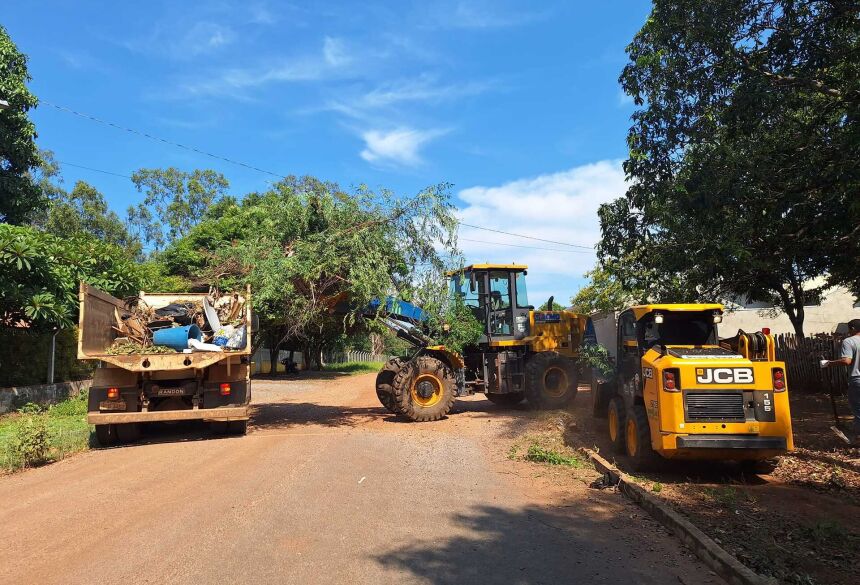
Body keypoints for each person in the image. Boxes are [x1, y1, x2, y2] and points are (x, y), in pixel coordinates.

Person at [822, 318, 860, 444]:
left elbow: (846, 361)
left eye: (849, 329)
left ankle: (857, 439)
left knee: (858, 410)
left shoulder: (849, 341)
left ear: (853, 329)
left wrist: (829, 363)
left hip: (857, 380)